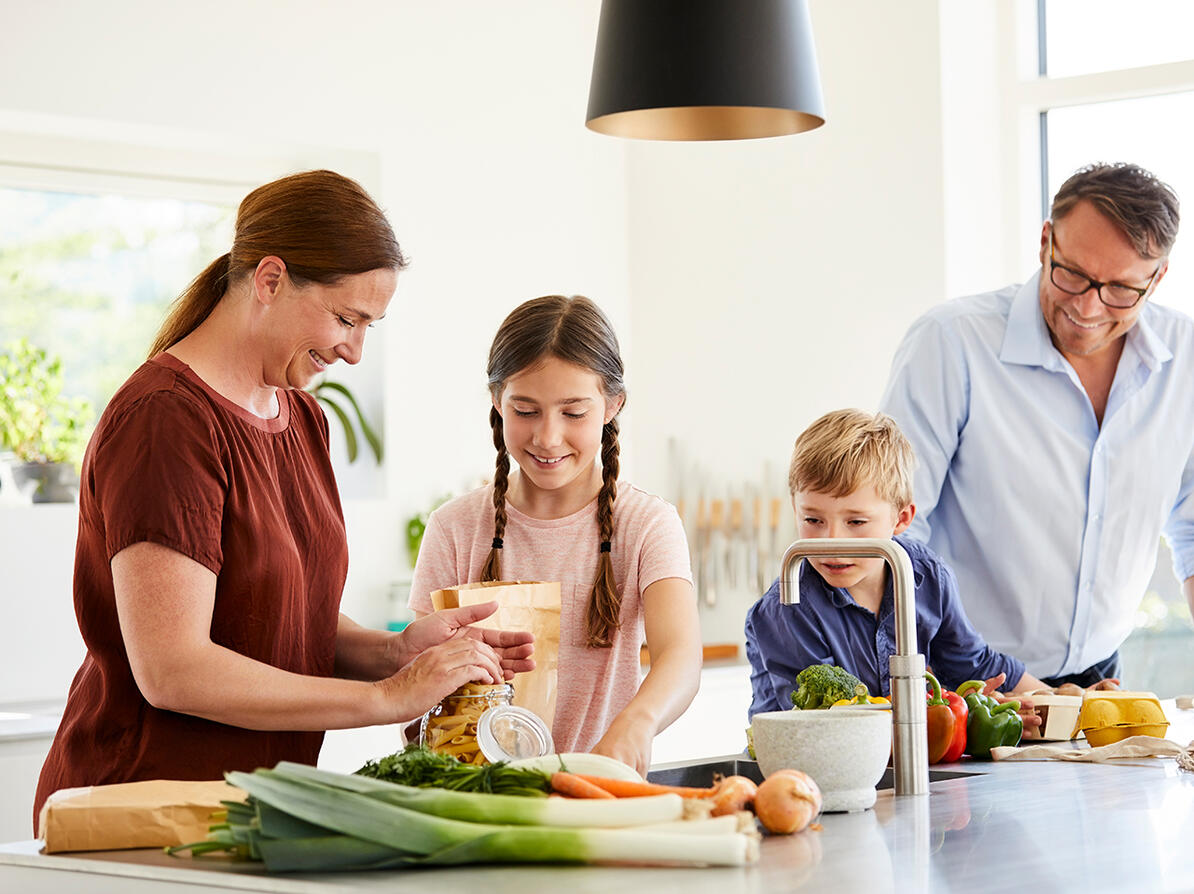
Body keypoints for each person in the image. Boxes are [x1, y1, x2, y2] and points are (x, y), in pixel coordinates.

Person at [34, 170, 533, 826]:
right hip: (143, 814)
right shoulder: (165, 420)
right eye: (345, 318)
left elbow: (279, 625)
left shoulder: (301, 419)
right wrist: (387, 698)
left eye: (369, 327)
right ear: (269, 280)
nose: (353, 352)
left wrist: (395, 651)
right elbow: (174, 670)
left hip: (252, 813)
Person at [879, 162, 1191, 688]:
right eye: (1072, 273)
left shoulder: (1185, 359)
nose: (1087, 308)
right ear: (1046, 241)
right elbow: (899, 531)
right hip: (968, 681)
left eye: (1119, 289)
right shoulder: (951, 343)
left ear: (1156, 279)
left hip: (1097, 683)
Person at [409, 295, 701, 775]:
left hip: (596, 789)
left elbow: (681, 657)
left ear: (612, 405)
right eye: (525, 411)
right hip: (477, 796)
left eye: (573, 413)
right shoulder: (453, 528)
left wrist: (637, 722)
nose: (547, 437)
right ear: (497, 402)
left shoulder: (647, 524)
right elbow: (414, 678)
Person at [745, 409, 1049, 721]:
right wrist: (961, 716)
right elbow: (832, 722)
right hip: (799, 766)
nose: (832, 540)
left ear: (901, 518)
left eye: (856, 521)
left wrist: (1057, 700)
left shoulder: (927, 577)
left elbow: (976, 665)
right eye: (813, 520)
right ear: (795, 510)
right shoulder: (788, 607)